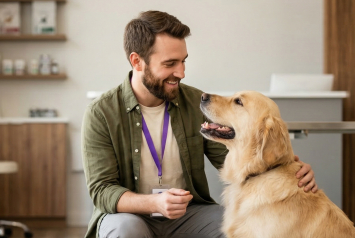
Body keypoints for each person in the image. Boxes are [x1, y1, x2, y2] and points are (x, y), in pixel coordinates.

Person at [81, 11, 318, 238]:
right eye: (170, 63)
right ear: (137, 61)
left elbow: (239, 157)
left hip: (189, 214)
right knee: (126, 230)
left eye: (183, 61)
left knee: (246, 224)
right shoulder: (100, 113)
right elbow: (102, 190)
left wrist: (289, 170)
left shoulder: (197, 102)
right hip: (129, 215)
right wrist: (153, 203)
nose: (181, 72)